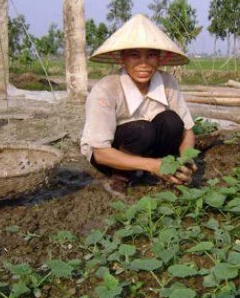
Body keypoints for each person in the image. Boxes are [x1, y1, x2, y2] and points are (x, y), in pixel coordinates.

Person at [81, 13, 197, 197]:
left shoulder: (167, 82)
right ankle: (120, 178)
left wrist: (185, 160)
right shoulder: (106, 89)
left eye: (151, 55)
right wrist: (154, 165)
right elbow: (101, 152)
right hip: (111, 153)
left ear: (160, 59)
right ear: (123, 58)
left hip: (149, 152)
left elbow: (187, 130)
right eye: (134, 55)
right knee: (143, 130)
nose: (143, 64)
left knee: (172, 121)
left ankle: (148, 171)